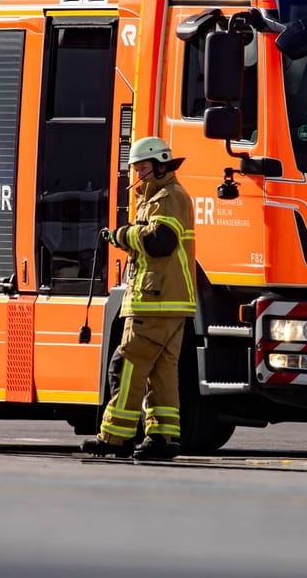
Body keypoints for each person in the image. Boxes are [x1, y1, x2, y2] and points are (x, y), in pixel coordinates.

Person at [82, 136, 196, 460]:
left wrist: (122, 235)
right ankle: (162, 438)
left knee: (126, 364)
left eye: (143, 168)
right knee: (161, 372)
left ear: (160, 166)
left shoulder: (166, 197)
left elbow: (161, 241)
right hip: (170, 302)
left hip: (155, 301)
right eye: (136, 169)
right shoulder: (166, 195)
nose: (138, 175)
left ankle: (113, 438)